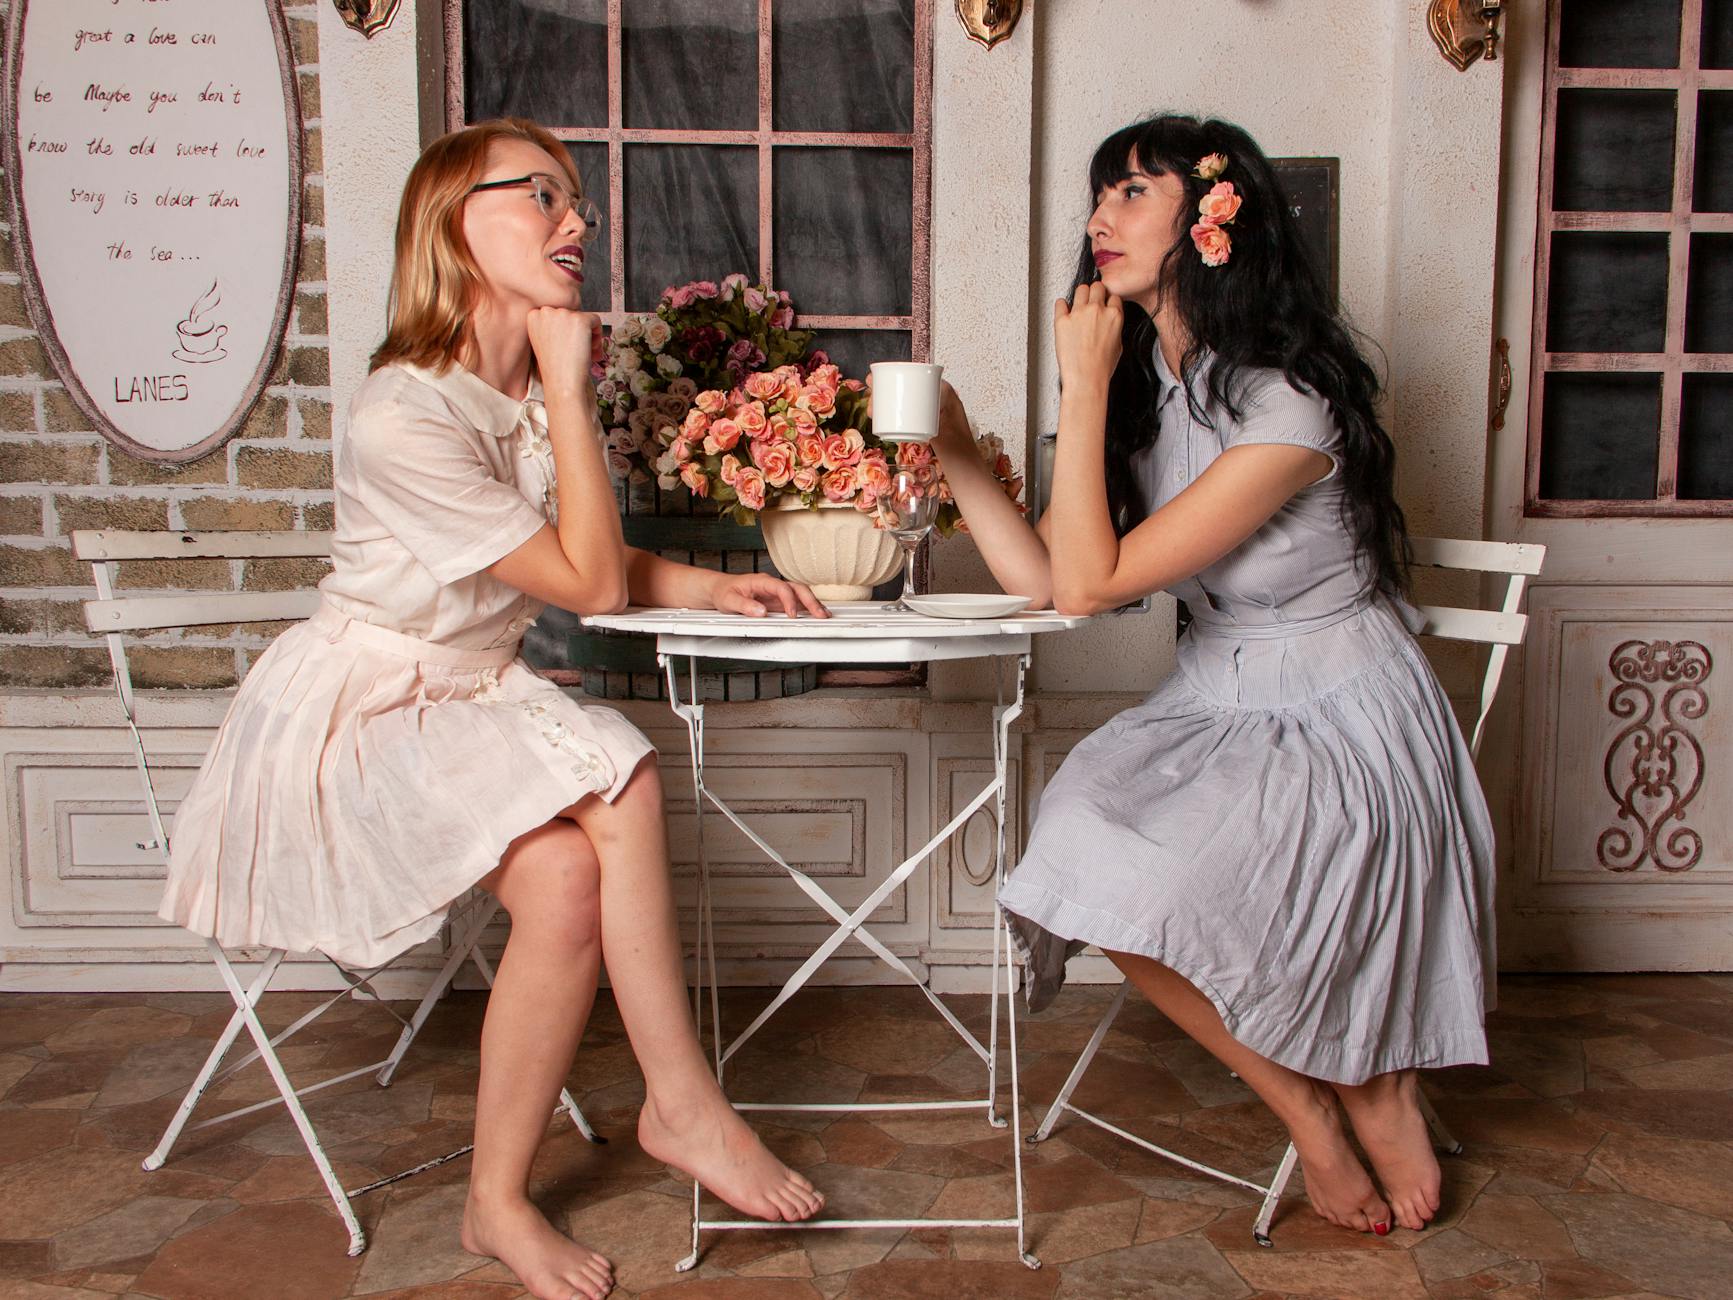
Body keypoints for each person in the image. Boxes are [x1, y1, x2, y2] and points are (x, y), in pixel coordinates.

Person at [159, 117, 827, 1300]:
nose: (578, 221)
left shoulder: (517, 393)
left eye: (578, 200)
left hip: (469, 695)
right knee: (622, 779)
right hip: (363, 714)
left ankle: (501, 1196)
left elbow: (584, 557)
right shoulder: (404, 413)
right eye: (542, 195)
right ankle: (677, 1106)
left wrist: (713, 585)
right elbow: (589, 587)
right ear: (453, 227)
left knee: (569, 873)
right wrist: (570, 389)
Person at [931, 113, 1494, 1237]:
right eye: (1100, 194)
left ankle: (1377, 1083)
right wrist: (951, 447)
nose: (1099, 217)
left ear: (1212, 225)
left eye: (1132, 192)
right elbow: (1056, 582)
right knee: (1080, 845)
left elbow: (1087, 583)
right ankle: (1310, 1105)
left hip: (1342, 716)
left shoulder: (1286, 403)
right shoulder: (1154, 392)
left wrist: (1079, 385)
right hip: (1215, 699)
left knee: (1156, 862)